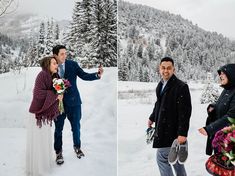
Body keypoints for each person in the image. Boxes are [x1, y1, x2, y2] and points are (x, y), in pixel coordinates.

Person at [52, 45, 104, 165]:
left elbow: (84, 75)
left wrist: (97, 75)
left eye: (66, 53)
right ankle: (58, 152)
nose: (65, 56)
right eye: (62, 54)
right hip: (57, 104)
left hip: (74, 102)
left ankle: (77, 147)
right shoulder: (51, 66)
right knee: (58, 129)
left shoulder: (73, 64)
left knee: (76, 127)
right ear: (55, 55)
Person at [148, 57, 192, 176]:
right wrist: (152, 117)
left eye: (169, 68)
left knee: (162, 158)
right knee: (176, 162)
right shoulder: (161, 84)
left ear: (174, 70)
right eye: (163, 68)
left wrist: (183, 133)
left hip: (172, 131)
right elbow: (159, 103)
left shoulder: (181, 87)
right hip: (163, 128)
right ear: (159, 68)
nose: (165, 71)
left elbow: (185, 112)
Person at [27, 56, 62, 176]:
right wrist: (55, 94)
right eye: (54, 63)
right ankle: (38, 169)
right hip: (38, 114)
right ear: (48, 65)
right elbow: (37, 93)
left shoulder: (56, 77)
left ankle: (44, 165)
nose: (56, 65)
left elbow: (57, 92)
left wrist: (60, 94)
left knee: (45, 140)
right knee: (38, 142)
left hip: (47, 114)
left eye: (56, 63)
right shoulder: (42, 75)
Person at [198, 64, 235, 155]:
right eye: (220, 73)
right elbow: (224, 105)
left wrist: (209, 129)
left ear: (231, 75)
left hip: (230, 142)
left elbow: (231, 117)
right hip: (220, 139)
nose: (220, 76)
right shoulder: (227, 90)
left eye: (223, 73)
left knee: (226, 167)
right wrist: (213, 106)